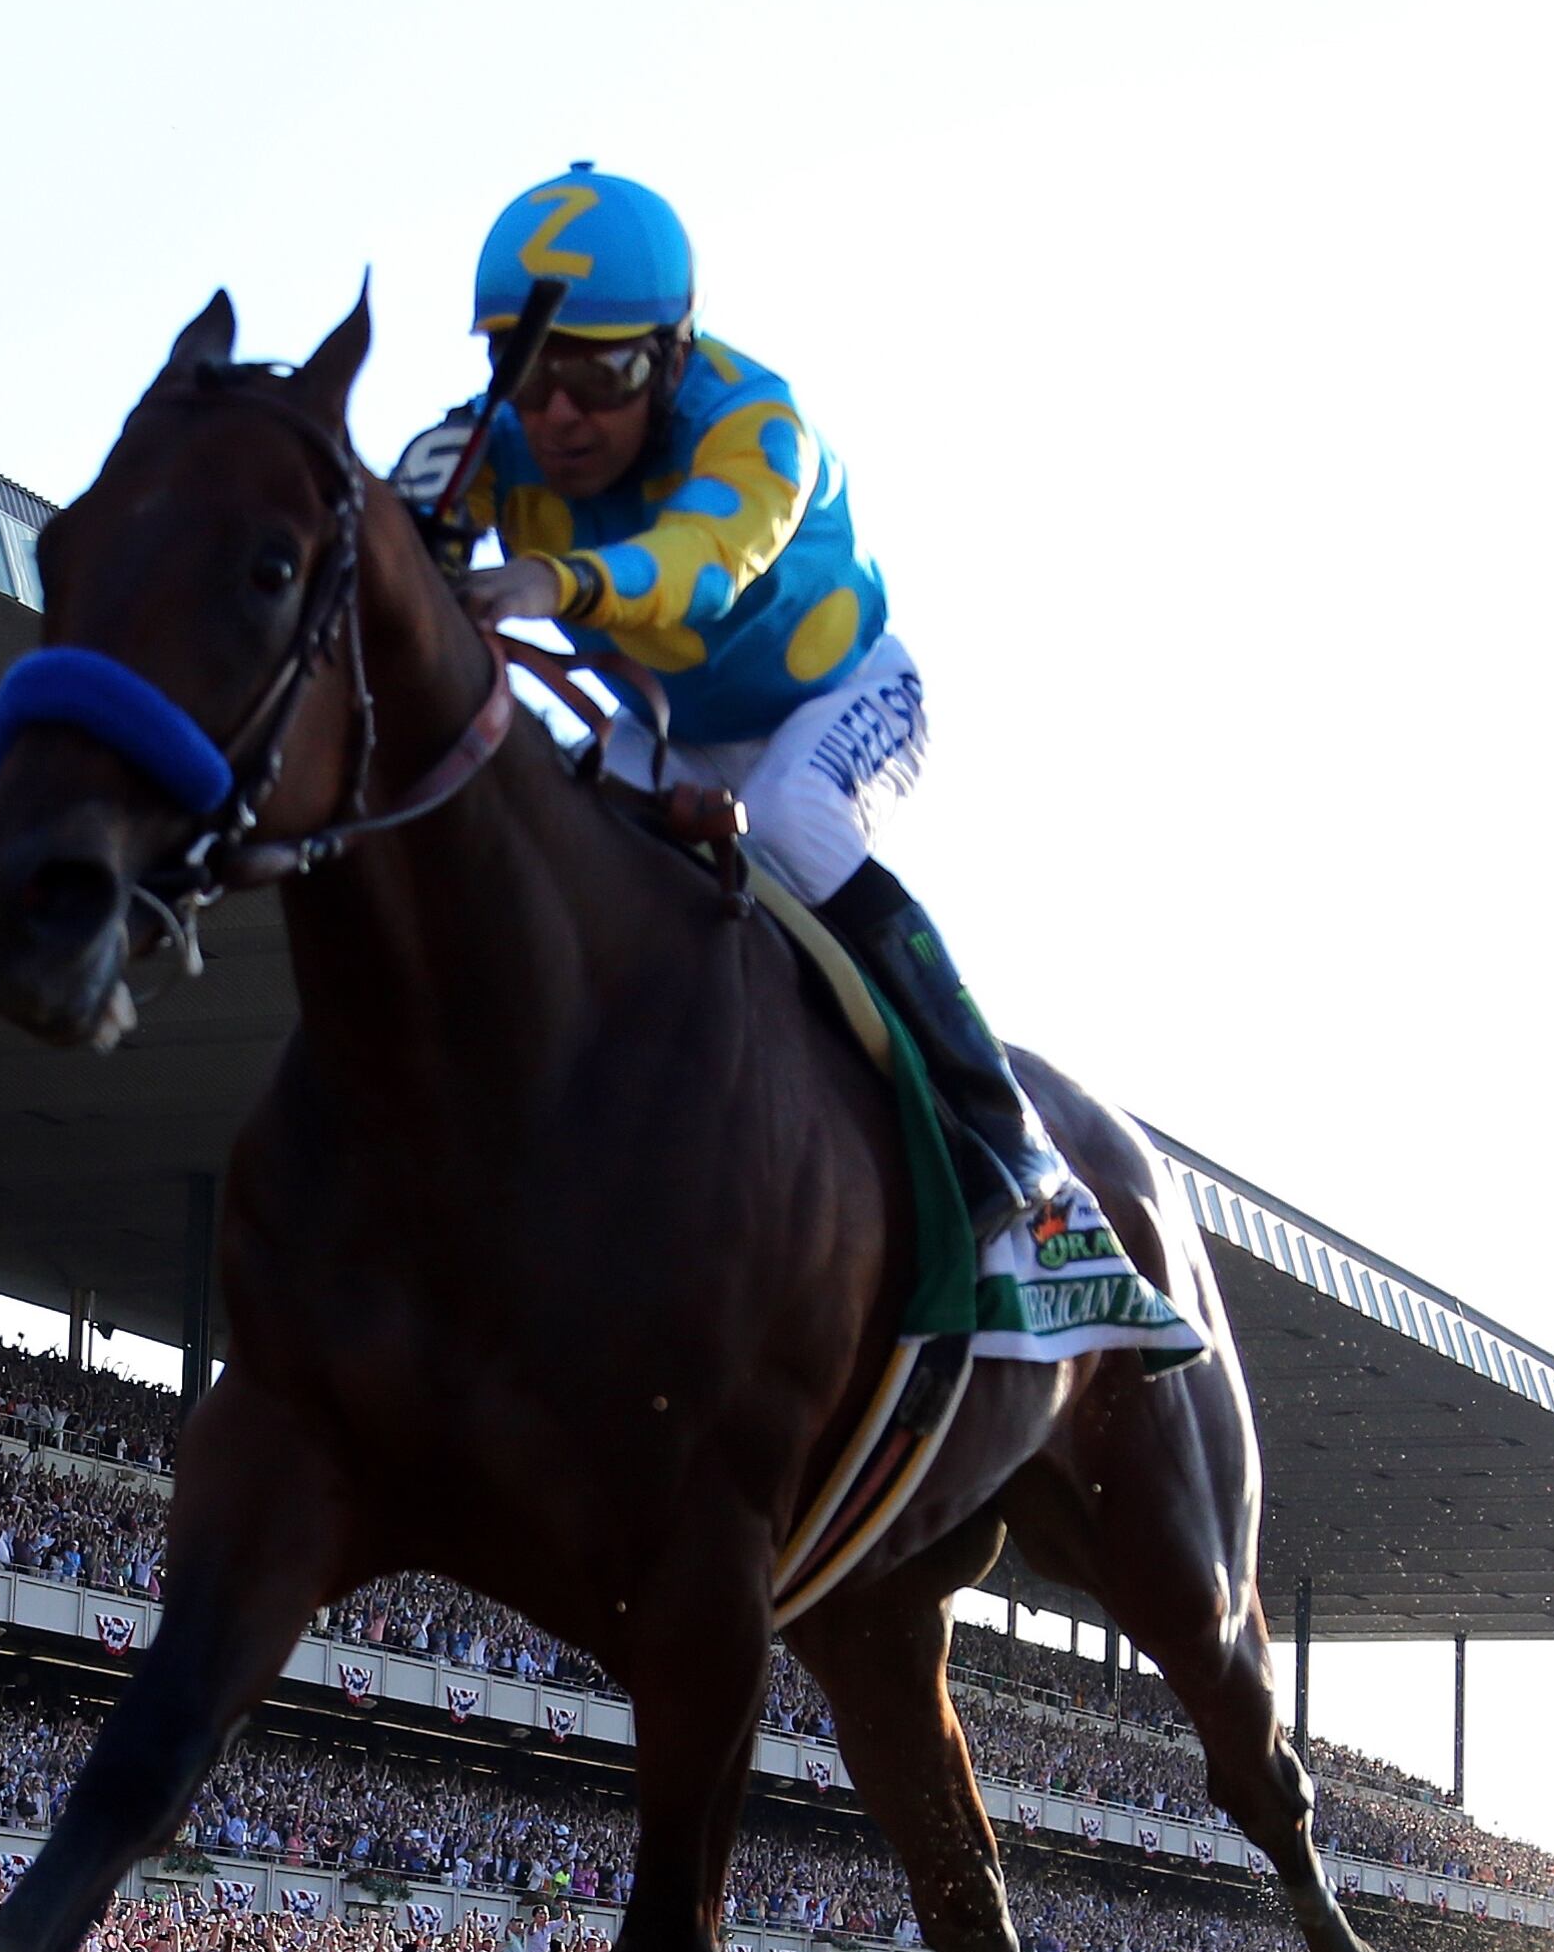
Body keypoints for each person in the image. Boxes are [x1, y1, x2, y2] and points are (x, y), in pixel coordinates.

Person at [419, 165, 1083, 1245]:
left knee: (788, 820)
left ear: (673, 357)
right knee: (551, 838)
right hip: (671, 728)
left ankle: (997, 1121)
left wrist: (550, 582)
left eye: (602, 376)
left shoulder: (760, 428)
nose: (558, 416)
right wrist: (409, 509)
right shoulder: (494, 439)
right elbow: (393, 551)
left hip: (838, 703)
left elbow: (701, 567)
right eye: (527, 372)